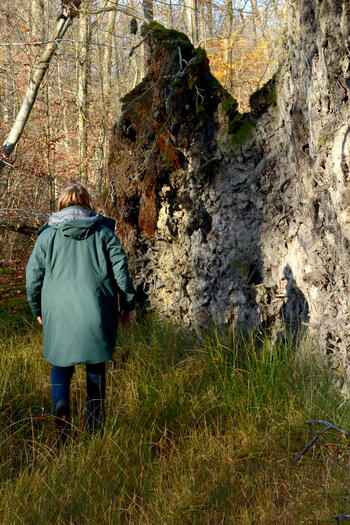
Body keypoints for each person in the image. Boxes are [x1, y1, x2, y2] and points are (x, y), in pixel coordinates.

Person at [26, 183, 136, 440]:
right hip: (96, 310)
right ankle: (95, 428)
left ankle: (62, 421)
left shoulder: (47, 236)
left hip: (58, 313)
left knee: (61, 367)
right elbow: (121, 270)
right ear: (87, 203)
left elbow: (32, 278)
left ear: (62, 204)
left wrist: (36, 309)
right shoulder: (104, 234)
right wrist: (128, 303)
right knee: (95, 369)